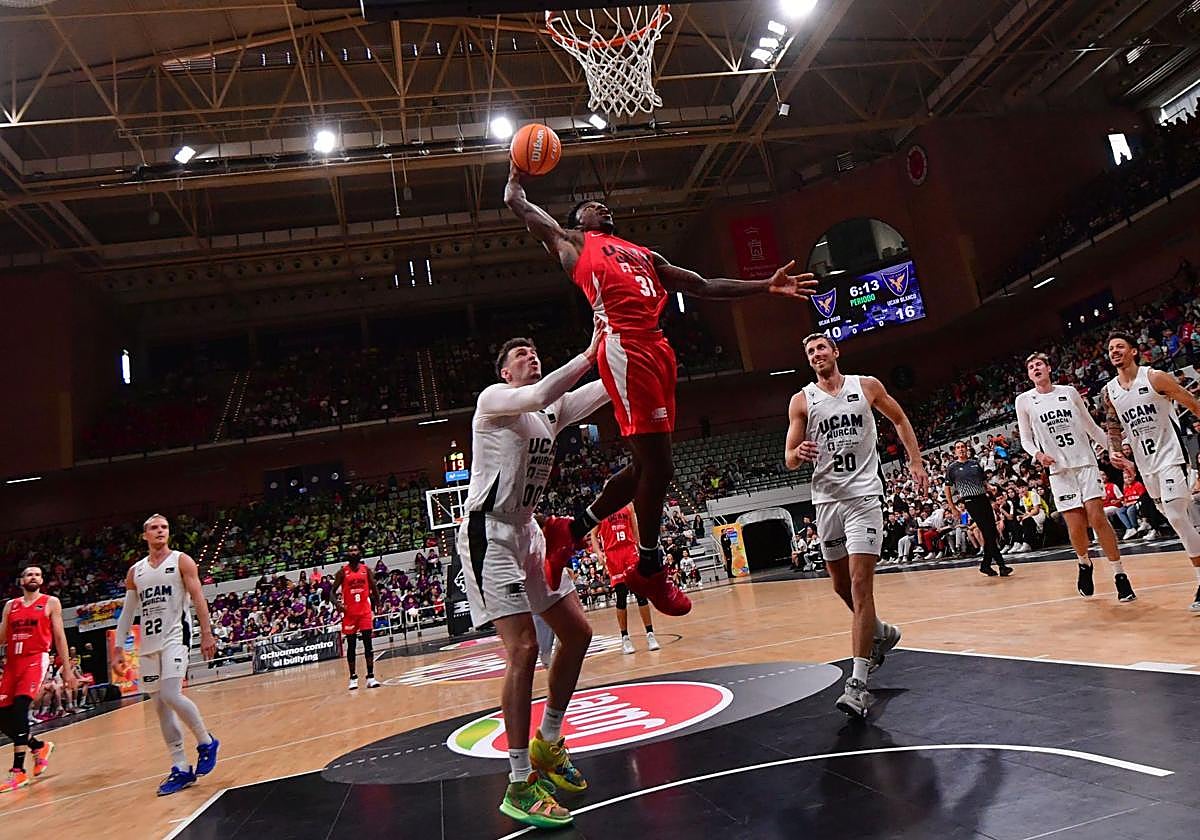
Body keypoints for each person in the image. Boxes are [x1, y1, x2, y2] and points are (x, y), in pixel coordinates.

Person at [505, 163, 815, 616]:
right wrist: (516, 172)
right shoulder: (572, 243)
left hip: (658, 350)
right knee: (661, 467)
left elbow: (704, 285)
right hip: (624, 347)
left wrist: (765, 285)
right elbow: (519, 204)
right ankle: (648, 565)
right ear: (578, 222)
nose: (601, 205)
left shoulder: (645, 254)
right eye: (591, 206)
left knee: (644, 467)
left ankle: (568, 533)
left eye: (603, 203)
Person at [454, 327, 609, 829]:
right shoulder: (495, 400)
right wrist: (588, 351)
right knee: (522, 650)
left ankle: (549, 739)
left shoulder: (548, 411)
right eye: (521, 353)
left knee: (578, 633)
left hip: (528, 530)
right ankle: (519, 782)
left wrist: (628, 347)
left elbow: (597, 391)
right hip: (489, 532)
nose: (531, 356)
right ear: (505, 372)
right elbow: (545, 391)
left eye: (536, 351)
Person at [785, 334, 929, 719]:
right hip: (826, 500)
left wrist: (915, 462)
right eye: (810, 351)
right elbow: (789, 458)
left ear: (835, 352)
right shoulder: (802, 400)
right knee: (841, 586)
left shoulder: (866, 386)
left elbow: (899, 418)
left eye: (821, 348)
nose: (816, 354)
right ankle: (881, 631)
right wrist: (798, 452)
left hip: (864, 497)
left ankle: (858, 684)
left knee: (862, 586)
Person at [113, 514, 219, 796]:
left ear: (168, 533)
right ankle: (181, 767)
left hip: (175, 637)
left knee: (172, 695)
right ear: (144, 535)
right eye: (153, 528)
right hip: (148, 644)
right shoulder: (136, 571)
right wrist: (118, 648)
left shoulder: (182, 561)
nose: (160, 531)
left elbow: (198, 597)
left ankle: (206, 741)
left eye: (164, 527)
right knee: (160, 706)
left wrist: (206, 632)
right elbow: (127, 612)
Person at [1016, 353, 1135, 601]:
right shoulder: (1024, 400)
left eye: (1039, 364)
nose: (1035, 368)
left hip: (1085, 463)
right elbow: (1025, 439)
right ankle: (1084, 563)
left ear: (1048, 368)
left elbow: (1091, 426)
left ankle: (1120, 575)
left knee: (1097, 518)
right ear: (1029, 375)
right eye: (1030, 367)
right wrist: (1037, 454)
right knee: (1076, 526)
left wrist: (1115, 452)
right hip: (1059, 471)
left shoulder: (1069, 392)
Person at [1103, 332, 1200, 610]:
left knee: (1176, 515)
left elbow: (1189, 401)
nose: (1115, 351)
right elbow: (1113, 426)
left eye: (1120, 346)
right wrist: (1115, 451)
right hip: (1146, 466)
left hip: (1171, 456)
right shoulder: (1110, 391)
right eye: (1111, 349)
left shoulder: (1155, 377)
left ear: (1133, 351)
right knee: (1175, 519)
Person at [0, 566, 75, 792]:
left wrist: (68, 670)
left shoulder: (51, 602)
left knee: (21, 706)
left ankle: (18, 771)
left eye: (37, 574)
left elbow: (60, 636)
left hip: (36, 658)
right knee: (3, 714)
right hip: (13, 662)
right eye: (28, 574)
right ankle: (39, 746)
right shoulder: (10, 606)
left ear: (41, 580)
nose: (33, 577)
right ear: (21, 580)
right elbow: (2, 636)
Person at [589, 504, 659, 655]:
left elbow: (635, 529)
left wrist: (642, 549)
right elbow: (593, 534)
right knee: (621, 597)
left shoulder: (628, 506)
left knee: (641, 594)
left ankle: (650, 634)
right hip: (613, 555)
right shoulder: (601, 508)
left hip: (629, 550)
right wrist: (598, 552)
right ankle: (625, 638)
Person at [943, 441, 1012, 577]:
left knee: (991, 532)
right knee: (987, 532)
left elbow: (983, 481)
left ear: (966, 449)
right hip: (970, 501)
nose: (961, 449)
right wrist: (953, 507)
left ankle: (985, 565)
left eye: (962, 447)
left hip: (983, 498)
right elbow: (947, 489)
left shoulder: (975, 463)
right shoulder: (952, 468)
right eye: (958, 448)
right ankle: (1001, 565)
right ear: (955, 451)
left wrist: (989, 487)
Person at [332, 554, 381, 690]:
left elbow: (374, 587)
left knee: (368, 645)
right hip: (349, 613)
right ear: (347, 555)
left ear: (359, 553)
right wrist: (337, 604)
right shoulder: (342, 572)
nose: (353, 552)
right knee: (351, 646)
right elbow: (331, 592)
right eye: (351, 550)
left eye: (355, 550)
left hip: (364, 611)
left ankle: (371, 677)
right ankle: (353, 678)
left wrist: (378, 602)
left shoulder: (366, 570)